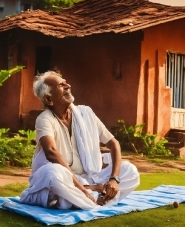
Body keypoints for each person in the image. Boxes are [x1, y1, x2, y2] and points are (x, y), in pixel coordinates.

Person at [20, 71, 140, 210]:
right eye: (61, 85)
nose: (67, 85)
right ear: (48, 99)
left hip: (89, 177)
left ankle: (87, 199)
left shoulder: (85, 113)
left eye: (66, 82)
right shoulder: (45, 119)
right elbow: (51, 152)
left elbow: (114, 144)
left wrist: (114, 179)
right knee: (52, 173)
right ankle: (94, 198)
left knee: (130, 171)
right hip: (68, 180)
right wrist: (84, 190)